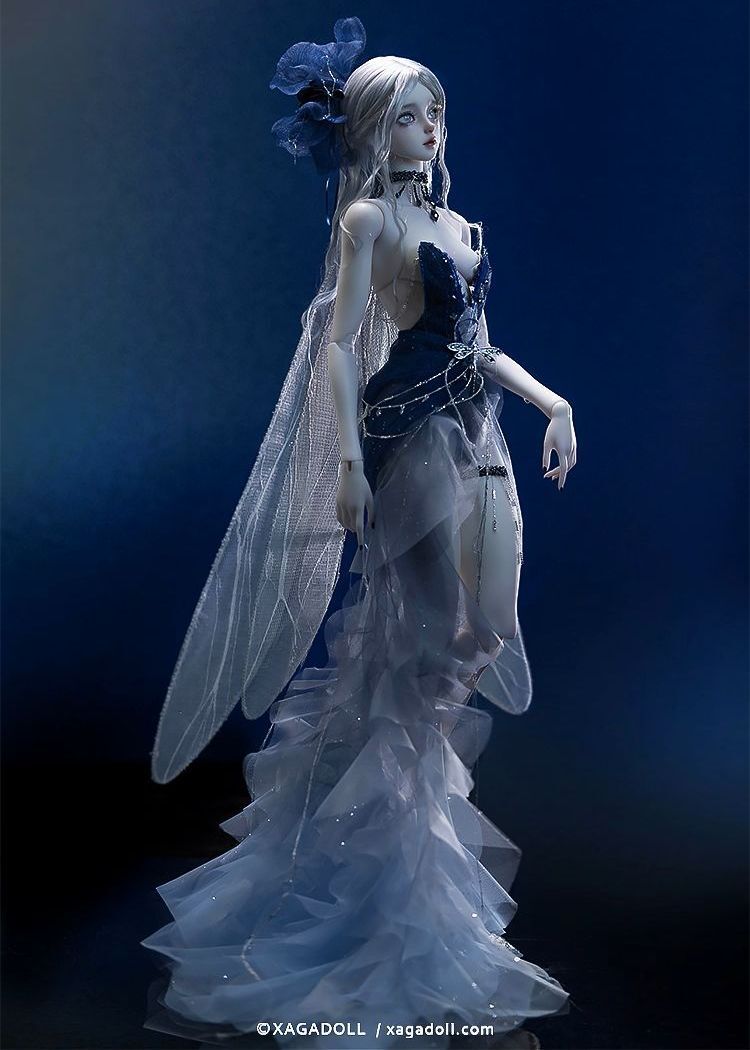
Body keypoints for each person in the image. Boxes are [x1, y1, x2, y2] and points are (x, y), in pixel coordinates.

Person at [141, 17, 577, 1048]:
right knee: (416, 641)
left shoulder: (462, 227)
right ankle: (385, 881)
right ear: (376, 130)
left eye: (436, 113)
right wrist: (343, 462)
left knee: (480, 633)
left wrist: (553, 402)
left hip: (475, 436)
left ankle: (400, 807)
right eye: (410, 115)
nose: (430, 128)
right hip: (401, 436)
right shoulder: (369, 221)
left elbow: (478, 343)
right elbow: (338, 344)